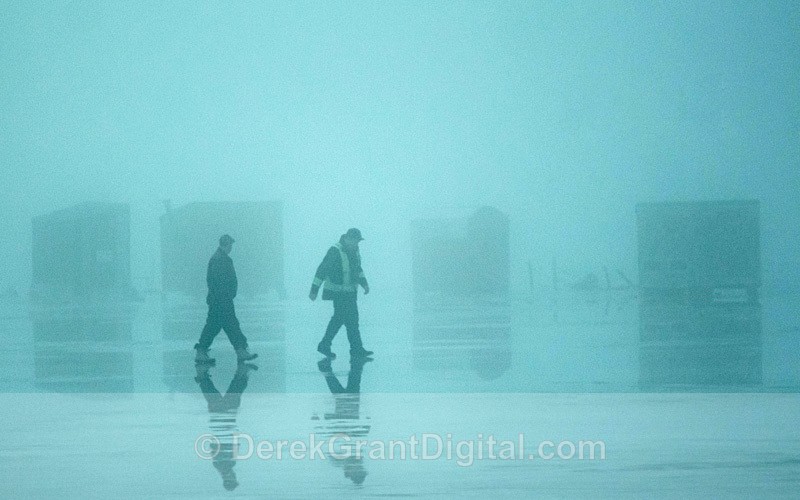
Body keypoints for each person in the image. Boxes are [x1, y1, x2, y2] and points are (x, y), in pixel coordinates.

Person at [309, 228, 373, 359]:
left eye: (358, 241)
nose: (357, 244)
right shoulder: (335, 251)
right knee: (343, 319)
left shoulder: (354, 251)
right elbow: (322, 269)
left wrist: (364, 283)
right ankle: (344, 347)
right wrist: (314, 290)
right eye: (355, 241)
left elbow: (358, 270)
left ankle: (353, 348)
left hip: (350, 293)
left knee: (349, 320)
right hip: (338, 293)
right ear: (348, 239)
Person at [194, 234, 257, 364]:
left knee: (214, 326)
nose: (231, 248)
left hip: (219, 299)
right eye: (230, 245)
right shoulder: (220, 260)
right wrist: (226, 295)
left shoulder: (220, 258)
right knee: (231, 325)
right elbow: (219, 281)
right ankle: (240, 351)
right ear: (225, 244)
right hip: (222, 300)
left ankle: (202, 351)